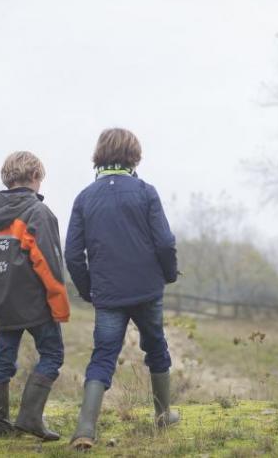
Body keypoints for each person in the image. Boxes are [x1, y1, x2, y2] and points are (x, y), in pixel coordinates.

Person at [65, 128, 180, 450]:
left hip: (108, 294)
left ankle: (85, 429)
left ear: (99, 155)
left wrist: (89, 290)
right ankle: (163, 415)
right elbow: (165, 242)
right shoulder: (146, 192)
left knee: (102, 356)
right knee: (156, 348)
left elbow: (73, 254)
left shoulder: (85, 198)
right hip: (147, 290)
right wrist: (168, 275)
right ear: (134, 155)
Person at [0, 151, 70, 441]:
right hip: (36, 303)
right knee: (52, 354)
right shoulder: (39, 213)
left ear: (7, 178)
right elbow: (49, 266)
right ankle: (29, 418)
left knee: (3, 359)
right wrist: (60, 308)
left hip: (2, 302)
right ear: (36, 177)